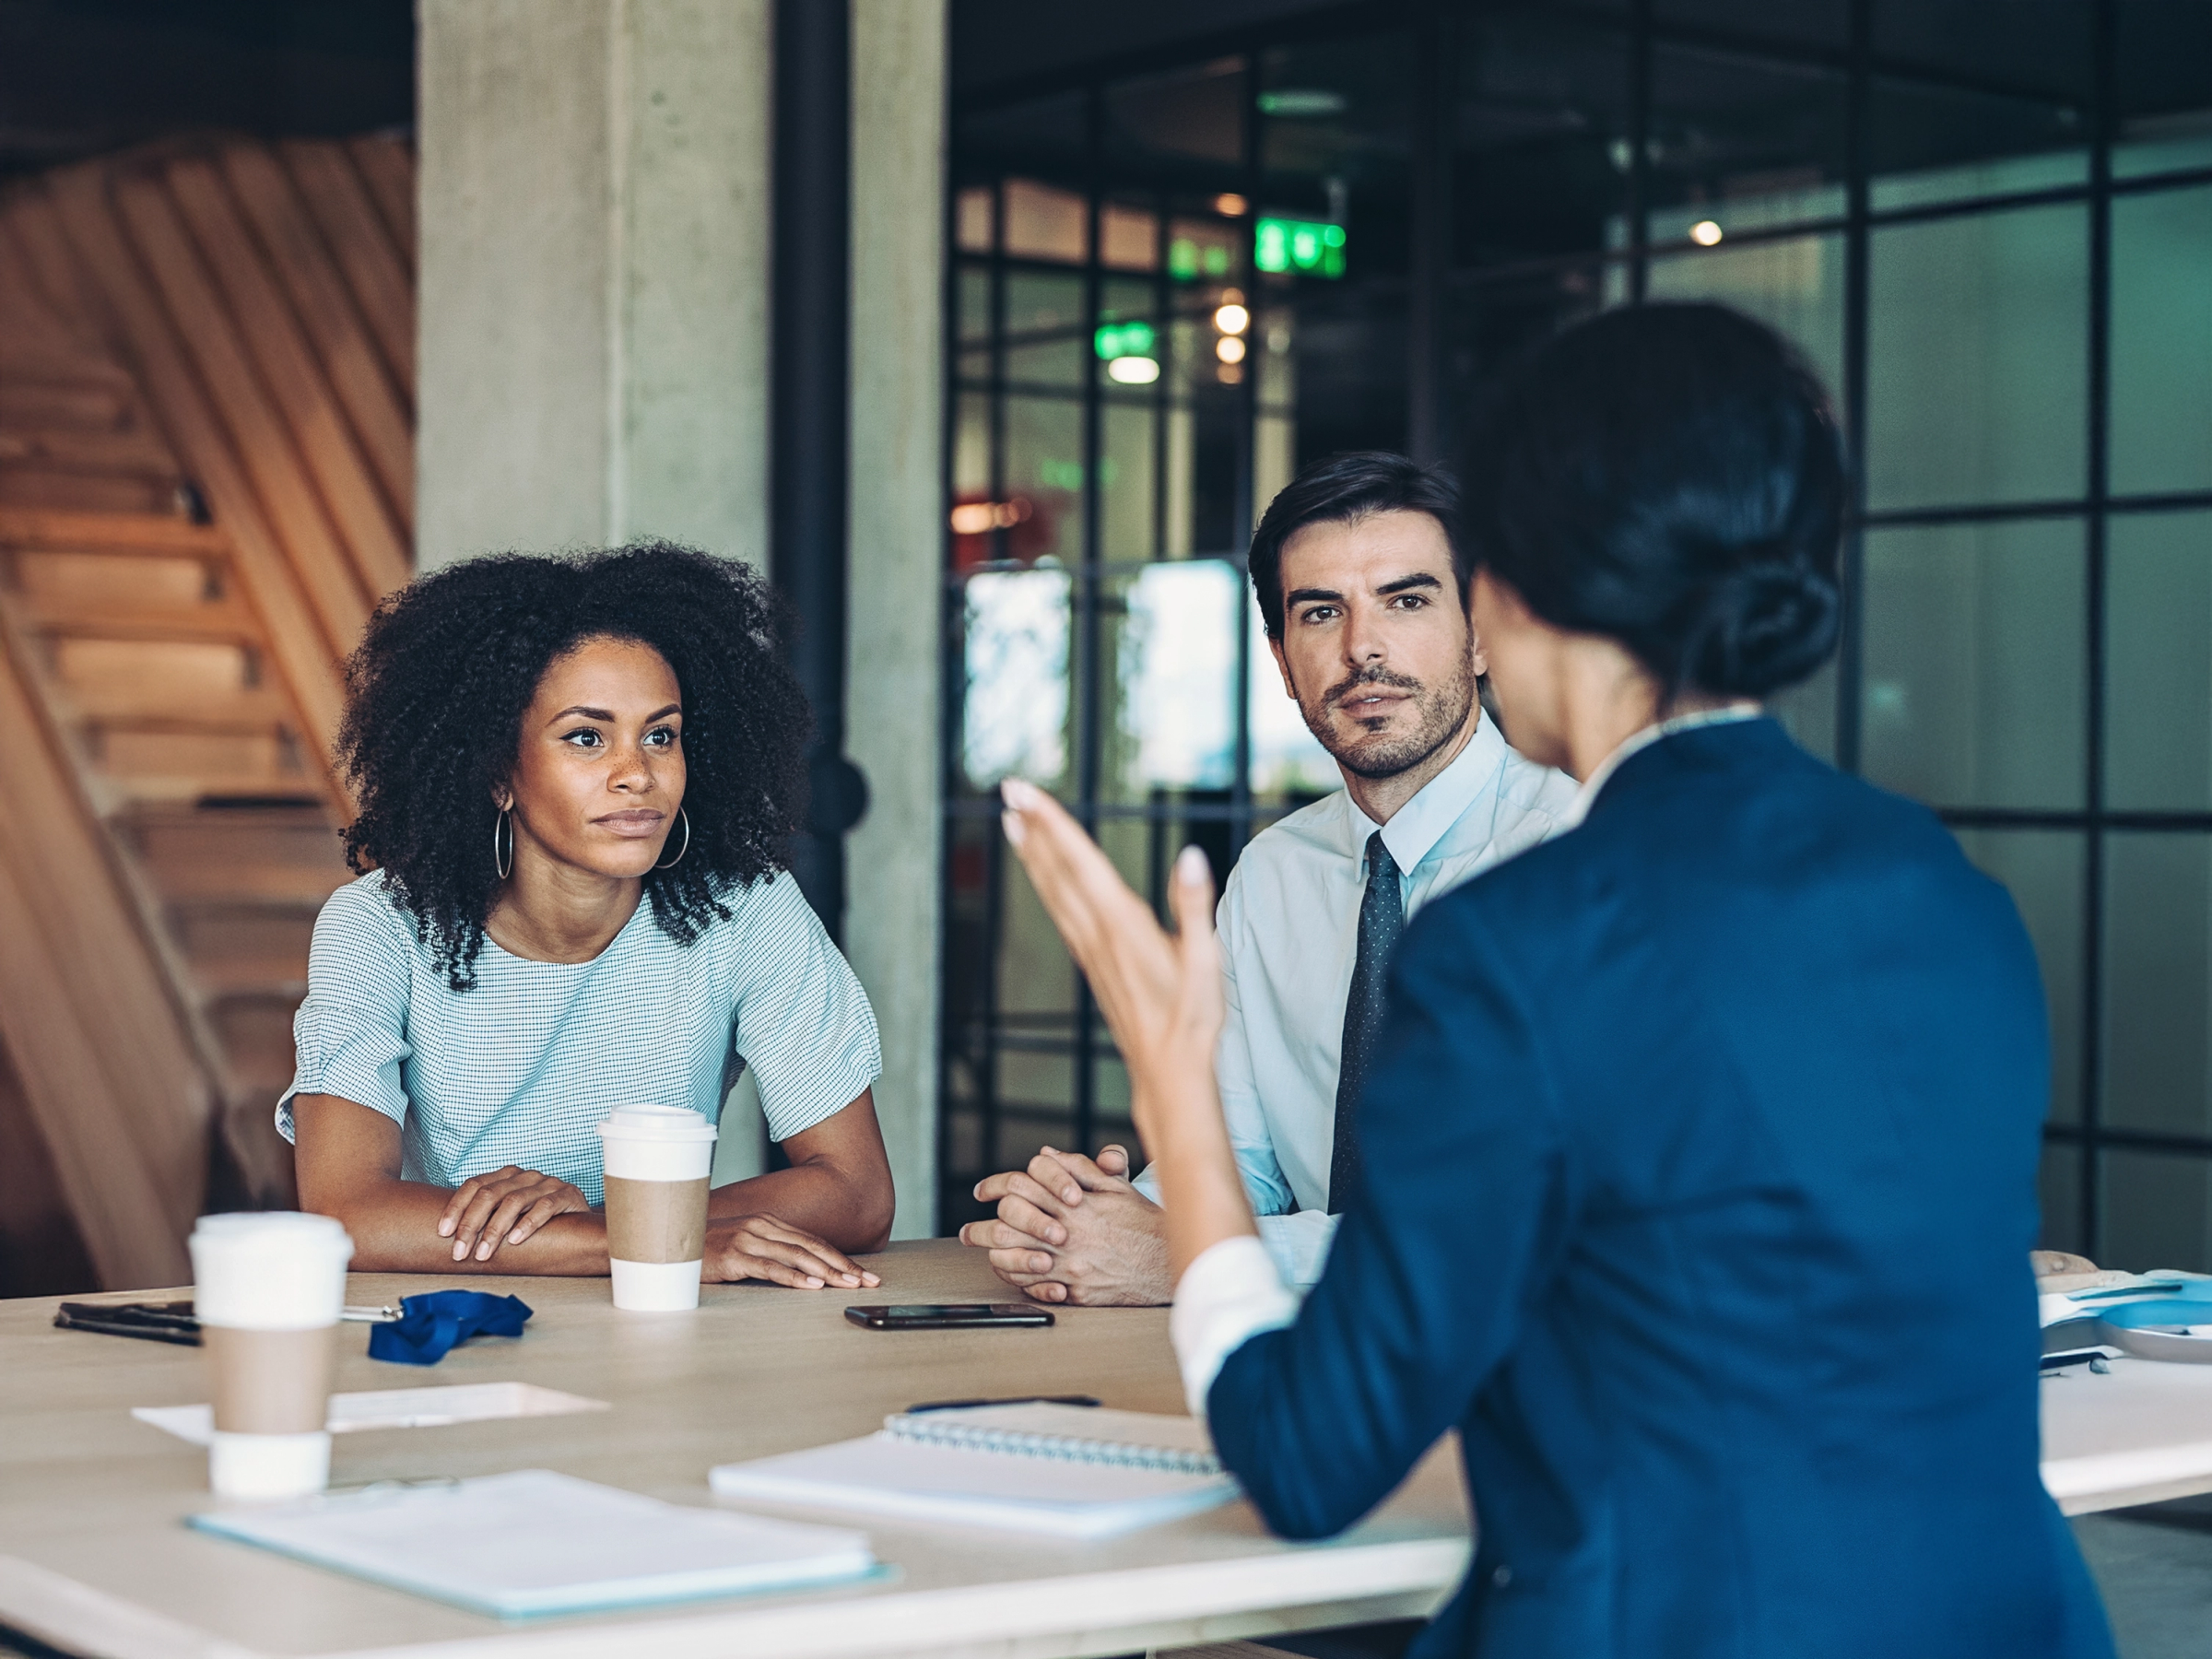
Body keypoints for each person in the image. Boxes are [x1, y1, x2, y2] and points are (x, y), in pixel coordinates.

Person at [997, 305, 2112, 1657]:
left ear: (1506, 602)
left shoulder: (1522, 942)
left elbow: (1307, 1460)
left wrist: (1172, 1078)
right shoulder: (1952, 896)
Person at [960, 453, 1574, 1304]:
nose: (1363, 648)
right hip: (1303, 1368)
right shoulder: (1275, 874)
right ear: (1283, 662)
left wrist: (1188, 1257)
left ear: (1482, 636)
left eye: (1407, 600)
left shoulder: (1577, 860)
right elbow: (1237, 1164)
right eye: (1321, 613)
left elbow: (1517, 1224)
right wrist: (1095, 1220)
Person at [287, 542, 894, 1290]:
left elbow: (857, 1189)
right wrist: (647, 1239)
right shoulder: (377, 929)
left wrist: (623, 1232)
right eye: (586, 736)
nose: (636, 773)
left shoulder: (747, 910)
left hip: (654, 1326)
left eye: (660, 735)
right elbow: (343, 1212)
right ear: (498, 773)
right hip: (457, 1335)